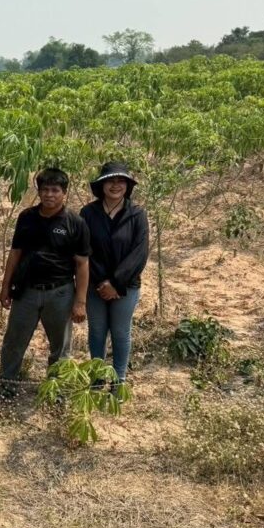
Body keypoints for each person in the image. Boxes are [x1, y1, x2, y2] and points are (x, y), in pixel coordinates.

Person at [0, 168, 90, 390]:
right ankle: (6, 386)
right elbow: (15, 253)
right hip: (26, 291)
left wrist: (80, 301)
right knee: (14, 342)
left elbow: (82, 264)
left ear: (64, 193)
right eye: (45, 190)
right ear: (38, 191)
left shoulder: (75, 223)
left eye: (55, 190)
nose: (49, 194)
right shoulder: (26, 217)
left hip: (60, 293)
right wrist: (5, 286)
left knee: (60, 348)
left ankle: (55, 390)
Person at [80, 163, 149, 384]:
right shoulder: (88, 213)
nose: (115, 185)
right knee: (97, 331)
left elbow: (139, 253)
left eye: (121, 181)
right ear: (101, 185)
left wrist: (116, 283)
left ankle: (119, 380)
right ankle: (97, 377)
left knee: (120, 332)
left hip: (126, 287)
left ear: (128, 186)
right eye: (110, 181)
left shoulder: (137, 214)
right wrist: (102, 282)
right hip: (95, 286)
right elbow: (84, 250)